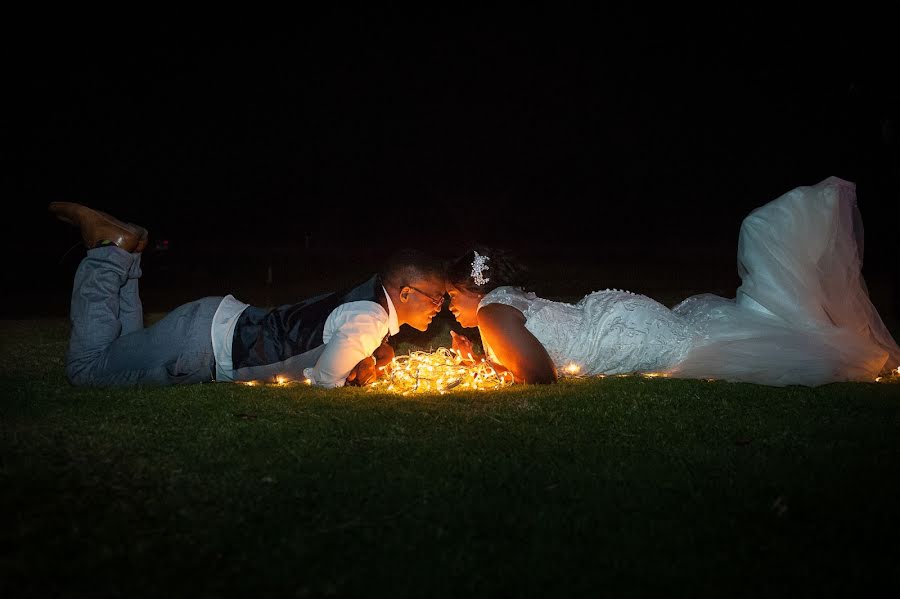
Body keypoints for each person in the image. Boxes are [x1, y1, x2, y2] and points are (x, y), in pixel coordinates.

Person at [446, 177, 900, 387]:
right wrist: (481, 361)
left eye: (450, 296)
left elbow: (541, 377)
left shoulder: (490, 313)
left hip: (628, 333)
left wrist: (484, 365)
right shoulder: (502, 303)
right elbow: (531, 357)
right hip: (622, 316)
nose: (448, 307)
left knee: (718, 346)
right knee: (713, 331)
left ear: (473, 288)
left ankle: (817, 327)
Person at [49, 202, 446, 388]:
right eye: (436, 298)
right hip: (205, 343)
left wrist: (374, 355)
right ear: (407, 292)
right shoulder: (371, 319)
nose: (439, 308)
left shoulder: (367, 302)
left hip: (211, 327)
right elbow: (326, 381)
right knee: (87, 371)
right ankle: (107, 256)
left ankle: (127, 251)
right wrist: (364, 368)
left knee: (123, 347)